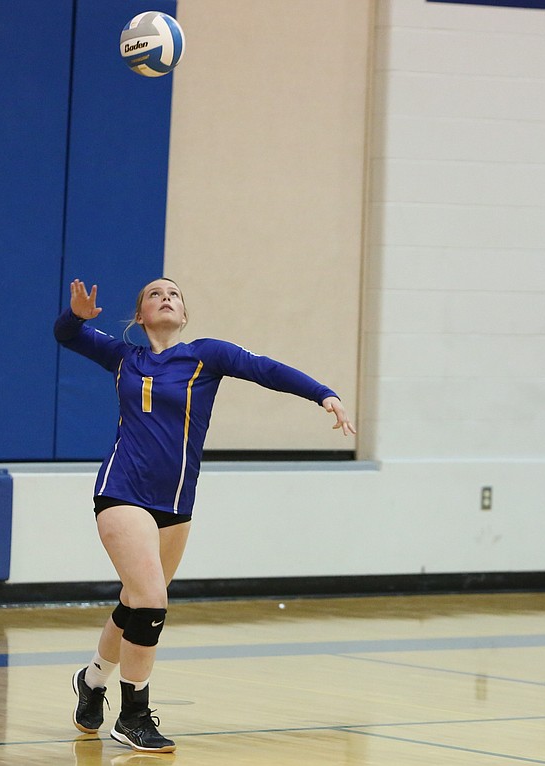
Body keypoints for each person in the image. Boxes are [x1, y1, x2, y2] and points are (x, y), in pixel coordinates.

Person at [54, 277, 356, 753]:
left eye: (173, 294)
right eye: (155, 294)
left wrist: (324, 394)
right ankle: (133, 715)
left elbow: (266, 369)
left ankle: (92, 681)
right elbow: (66, 335)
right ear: (141, 315)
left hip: (175, 503)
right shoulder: (124, 358)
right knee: (152, 600)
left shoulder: (206, 355)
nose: (166, 298)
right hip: (121, 492)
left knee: (137, 602)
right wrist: (76, 315)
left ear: (184, 313)